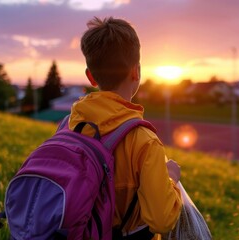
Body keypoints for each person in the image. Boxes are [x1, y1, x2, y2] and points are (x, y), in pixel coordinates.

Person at [71, 16, 182, 239]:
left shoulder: (72, 123)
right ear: (136, 72)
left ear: (91, 77)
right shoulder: (144, 140)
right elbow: (161, 220)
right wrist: (172, 180)